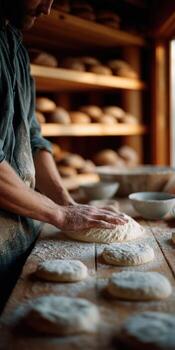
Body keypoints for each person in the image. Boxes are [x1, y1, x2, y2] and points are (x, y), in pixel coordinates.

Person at [0, 0, 127, 311]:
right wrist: (60, 215)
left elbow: (33, 136)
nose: (48, 8)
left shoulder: (14, 43)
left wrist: (65, 202)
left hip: (24, 231)